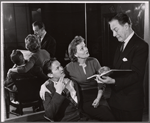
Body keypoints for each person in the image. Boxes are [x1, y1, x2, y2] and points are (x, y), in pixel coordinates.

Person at [40, 36, 115, 121]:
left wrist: (98, 97)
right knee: (107, 116)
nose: (86, 49)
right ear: (75, 54)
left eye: (85, 46)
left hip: (96, 96)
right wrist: (45, 85)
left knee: (110, 115)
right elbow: (55, 76)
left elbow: (102, 81)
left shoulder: (93, 61)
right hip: (82, 100)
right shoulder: (68, 68)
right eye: (82, 48)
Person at [96, 13, 149, 121]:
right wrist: (108, 69)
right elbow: (120, 68)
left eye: (116, 30)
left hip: (130, 104)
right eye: (112, 31)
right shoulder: (121, 44)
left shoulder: (141, 45)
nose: (114, 35)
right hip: (116, 102)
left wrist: (114, 81)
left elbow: (137, 75)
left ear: (126, 26)